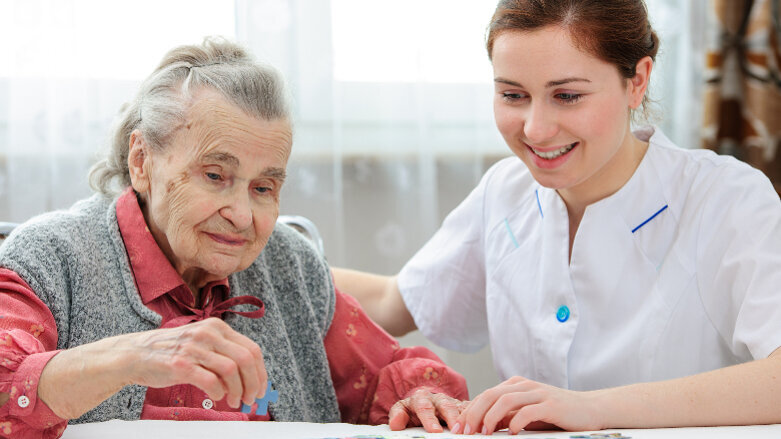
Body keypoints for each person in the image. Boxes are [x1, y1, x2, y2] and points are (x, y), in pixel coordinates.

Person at [333, 0, 781, 435]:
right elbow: (393, 302)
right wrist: (287, 260)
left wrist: (595, 408)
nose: (535, 128)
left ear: (637, 81)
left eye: (567, 96)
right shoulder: (505, 191)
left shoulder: (725, 198)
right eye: (513, 95)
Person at [0, 38, 469, 439]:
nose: (242, 216)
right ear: (141, 161)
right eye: (215, 175)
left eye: (263, 188)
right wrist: (131, 356)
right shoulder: (51, 257)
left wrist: (422, 397)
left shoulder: (288, 264)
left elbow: (389, 376)